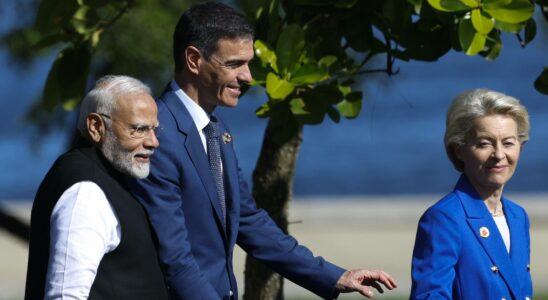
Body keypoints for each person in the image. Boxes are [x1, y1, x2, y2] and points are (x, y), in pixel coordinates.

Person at [129, 1, 397, 299]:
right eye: (234, 64)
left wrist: (334, 276)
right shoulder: (157, 136)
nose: (248, 77)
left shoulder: (216, 129)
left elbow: (247, 219)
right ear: (194, 59)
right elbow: (175, 260)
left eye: (248, 63)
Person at [24, 75, 169, 299]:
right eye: (139, 129)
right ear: (96, 126)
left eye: (154, 129)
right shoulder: (85, 192)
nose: (153, 142)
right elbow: (65, 296)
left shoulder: (110, 174)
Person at [410, 88, 533, 299]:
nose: (499, 155)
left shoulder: (518, 216)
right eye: (484, 143)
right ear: (459, 150)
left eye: (508, 143)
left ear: (520, 147)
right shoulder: (445, 218)